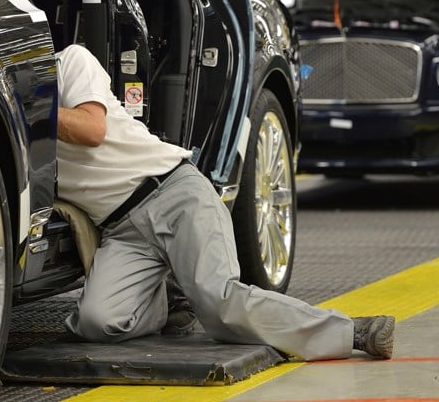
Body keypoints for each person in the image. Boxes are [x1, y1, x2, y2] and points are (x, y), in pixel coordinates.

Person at [54, 43, 395, 361]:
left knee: (220, 307)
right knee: (97, 323)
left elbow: (91, 130)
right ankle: (171, 297)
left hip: (174, 194)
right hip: (122, 230)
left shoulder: (71, 61)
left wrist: (33, 113)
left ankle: (350, 331)